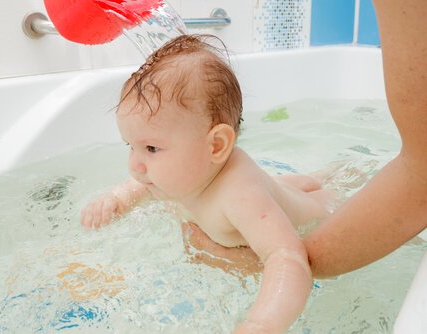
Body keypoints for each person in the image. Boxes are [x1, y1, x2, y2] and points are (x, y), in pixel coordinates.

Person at [185, 0, 426, 331]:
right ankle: (327, 175)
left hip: (315, 208)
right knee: (295, 188)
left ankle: (328, 179)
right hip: (293, 193)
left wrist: (248, 265)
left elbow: (422, 179)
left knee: (319, 198)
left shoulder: (240, 193)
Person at [81, 34, 338, 333]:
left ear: (216, 145)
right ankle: (312, 178)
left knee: (311, 195)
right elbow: (140, 183)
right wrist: (117, 199)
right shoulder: (182, 175)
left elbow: (287, 257)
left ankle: (331, 176)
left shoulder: (240, 196)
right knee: (283, 187)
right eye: (130, 146)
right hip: (278, 190)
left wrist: (260, 324)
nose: (135, 166)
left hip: (322, 212)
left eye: (151, 149)